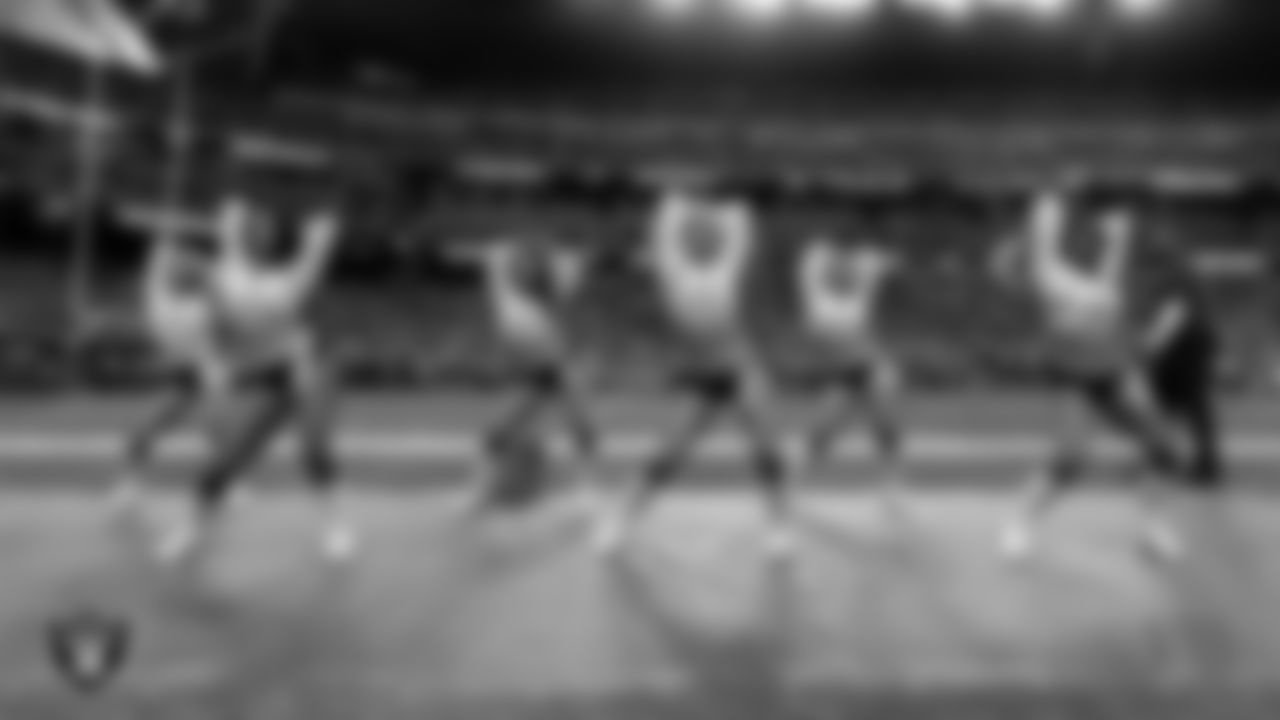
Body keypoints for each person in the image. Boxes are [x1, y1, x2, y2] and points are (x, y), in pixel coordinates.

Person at [593, 184, 793, 559]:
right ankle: (621, 519)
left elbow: (740, 220)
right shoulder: (673, 265)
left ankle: (780, 526)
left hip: (740, 369)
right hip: (701, 374)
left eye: (708, 232)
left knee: (766, 447)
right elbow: (666, 215)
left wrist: (715, 207)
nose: (702, 235)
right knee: (672, 451)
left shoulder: (727, 263)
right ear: (687, 238)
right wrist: (692, 204)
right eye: (695, 231)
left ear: (715, 239)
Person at [992, 192, 1188, 562]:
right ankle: (1018, 523)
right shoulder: (1047, 276)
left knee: (1167, 451)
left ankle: (1153, 526)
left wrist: (1118, 237)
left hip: (1113, 373)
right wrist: (1046, 213)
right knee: (1071, 458)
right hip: (1075, 379)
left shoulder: (1086, 284)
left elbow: (1106, 286)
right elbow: (1045, 243)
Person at [156, 197, 351, 563]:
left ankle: (335, 526)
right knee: (224, 462)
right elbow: (232, 242)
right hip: (269, 376)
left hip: (308, 364)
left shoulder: (270, 288)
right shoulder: (212, 299)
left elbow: (304, 261)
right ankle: (192, 529)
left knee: (312, 447)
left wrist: (320, 237)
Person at [444, 237, 600, 512]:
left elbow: (557, 291)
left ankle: (584, 488)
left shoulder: (533, 280)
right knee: (571, 420)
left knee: (570, 422)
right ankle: (480, 490)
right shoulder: (514, 275)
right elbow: (554, 289)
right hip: (540, 351)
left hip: (544, 354)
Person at [113, 212, 229, 509]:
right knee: (141, 431)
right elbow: (163, 246)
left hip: (208, 369)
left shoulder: (207, 301)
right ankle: (130, 486)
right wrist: (173, 226)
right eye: (181, 264)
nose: (186, 268)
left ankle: (224, 485)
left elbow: (219, 274)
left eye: (192, 266)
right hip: (180, 374)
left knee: (215, 427)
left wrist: (220, 230)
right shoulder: (156, 290)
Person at [796, 237, 907, 523]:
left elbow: (891, 262)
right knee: (823, 430)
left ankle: (890, 486)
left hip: (870, 363)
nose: (844, 275)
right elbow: (819, 256)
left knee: (886, 422)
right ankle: (797, 482)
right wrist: (859, 261)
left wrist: (879, 261)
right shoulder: (816, 278)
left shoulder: (862, 273)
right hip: (842, 370)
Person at [1143, 247, 1224, 491]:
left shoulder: (1173, 277)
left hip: (1185, 344)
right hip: (1194, 342)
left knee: (1175, 403)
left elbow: (1174, 313)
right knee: (1186, 404)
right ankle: (1190, 461)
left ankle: (1186, 462)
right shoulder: (1185, 276)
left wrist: (1150, 345)